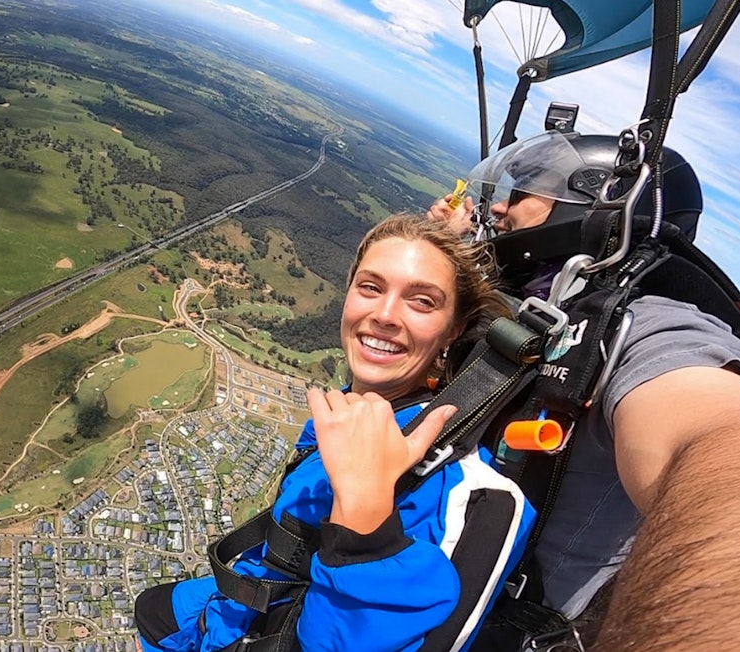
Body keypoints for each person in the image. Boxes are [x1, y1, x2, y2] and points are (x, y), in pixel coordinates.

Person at [427, 130, 740, 650]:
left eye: (521, 195)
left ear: (589, 207)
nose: (497, 208)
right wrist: (450, 245)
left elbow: (726, 451)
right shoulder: (558, 294)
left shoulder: (650, 331)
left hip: (492, 627)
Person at [134, 215, 537, 652]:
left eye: (422, 301)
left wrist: (365, 526)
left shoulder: (457, 492)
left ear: (452, 331)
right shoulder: (355, 411)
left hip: (274, 633)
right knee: (150, 609)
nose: (384, 315)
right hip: (247, 601)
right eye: (371, 287)